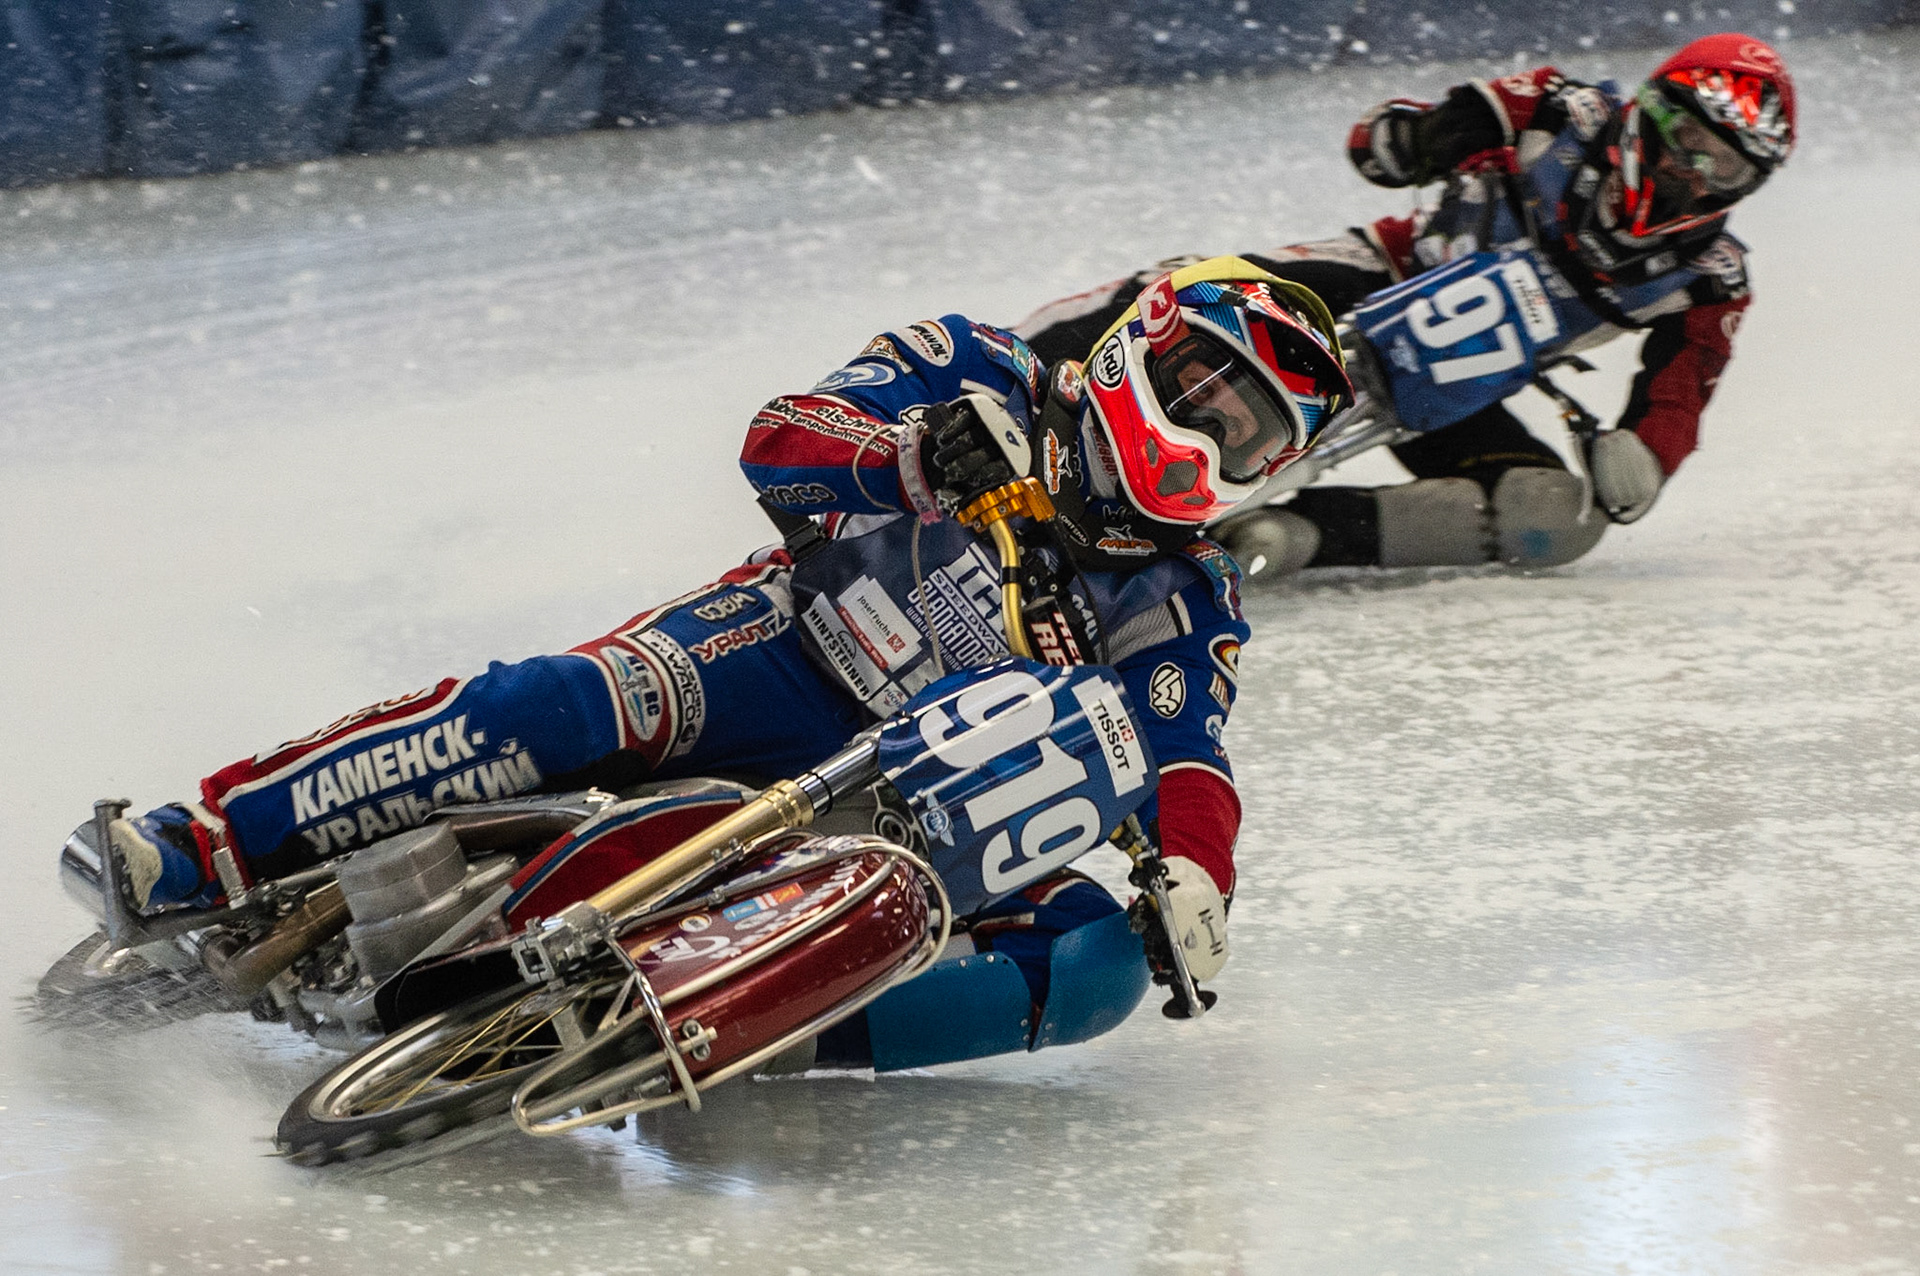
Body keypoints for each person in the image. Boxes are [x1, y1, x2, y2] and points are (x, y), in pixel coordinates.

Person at [83, 256, 1353, 1068]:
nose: (1210, 445)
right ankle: (203, 842)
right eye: (1209, 395)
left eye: (1249, 442)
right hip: (779, 650)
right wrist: (906, 464)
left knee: (1095, 961)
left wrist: (1195, 875)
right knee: (560, 704)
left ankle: (737, 1036)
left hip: (904, 806)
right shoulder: (976, 366)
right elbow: (780, 440)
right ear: (1148, 347)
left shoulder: (1183, 592)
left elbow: (1186, 743)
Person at [1016, 34, 1795, 579]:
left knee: (1556, 517)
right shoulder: (1563, 109)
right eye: (1687, 143)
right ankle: (1010, 369)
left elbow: (1678, 398)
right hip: (1381, 272)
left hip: (1463, 386)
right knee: (1185, 292)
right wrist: (1410, 138)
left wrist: (1645, 459)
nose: (1695, 176)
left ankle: (1289, 536)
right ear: (1649, 116)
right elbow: (1403, 137)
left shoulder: (1711, 279)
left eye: (1724, 168)